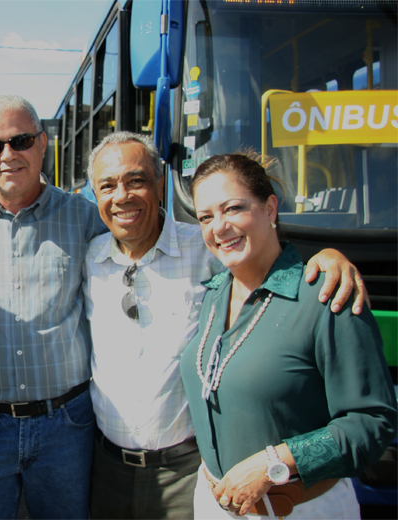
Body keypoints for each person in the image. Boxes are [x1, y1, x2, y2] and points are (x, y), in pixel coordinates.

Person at [83, 133, 368, 519]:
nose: (122, 196)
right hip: (111, 470)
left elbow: (267, 262)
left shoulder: (209, 251)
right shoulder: (88, 259)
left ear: (160, 183)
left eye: (136, 180)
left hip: (190, 472)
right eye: (107, 185)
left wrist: (329, 258)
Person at [181, 153, 396, 518]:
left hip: (299, 510)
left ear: (270, 209)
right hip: (214, 505)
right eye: (205, 217)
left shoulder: (326, 296)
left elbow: (372, 424)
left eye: (233, 208)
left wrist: (274, 462)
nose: (219, 227)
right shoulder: (214, 294)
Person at [0, 95, 107, 519]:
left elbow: (153, 246)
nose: (7, 155)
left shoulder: (87, 219)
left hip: (67, 425)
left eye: (20, 140)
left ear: (43, 143)